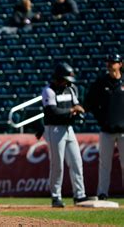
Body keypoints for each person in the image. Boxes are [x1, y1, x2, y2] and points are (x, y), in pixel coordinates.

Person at [41, 63, 90, 208]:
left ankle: (79, 195)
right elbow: (52, 112)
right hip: (54, 129)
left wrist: (77, 110)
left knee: (76, 162)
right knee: (58, 165)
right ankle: (56, 196)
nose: (66, 82)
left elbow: (77, 106)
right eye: (64, 79)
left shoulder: (71, 89)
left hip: (69, 128)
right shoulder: (48, 90)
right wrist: (72, 110)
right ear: (58, 78)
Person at [84, 53, 124, 200]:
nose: (110, 64)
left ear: (120, 64)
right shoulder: (101, 83)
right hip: (106, 130)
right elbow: (90, 103)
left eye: (113, 61)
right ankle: (102, 193)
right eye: (108, 62)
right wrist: (100, 119)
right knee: (104, 164)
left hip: (123, 131)